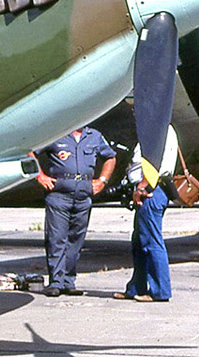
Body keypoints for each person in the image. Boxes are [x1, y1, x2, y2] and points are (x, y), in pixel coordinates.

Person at [34, 125, 117, 296]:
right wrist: (39, 175)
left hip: (83, 197)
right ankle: (56, 282)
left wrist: (102, 180)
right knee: (56, 239)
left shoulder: (94, 136)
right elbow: (29, 153)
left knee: (76, 241)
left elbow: (110, 157)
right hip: (59, 195)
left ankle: (68, 281)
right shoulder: (56, 132)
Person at [115, 125, 179, 303]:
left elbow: (156, 163)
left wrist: (142, 186)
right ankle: (137, 287)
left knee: (151, 241)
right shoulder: (159, 127)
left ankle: (160, 291)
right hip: (151, 189)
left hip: (150, 190)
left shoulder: (158, 129)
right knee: (139, 241)